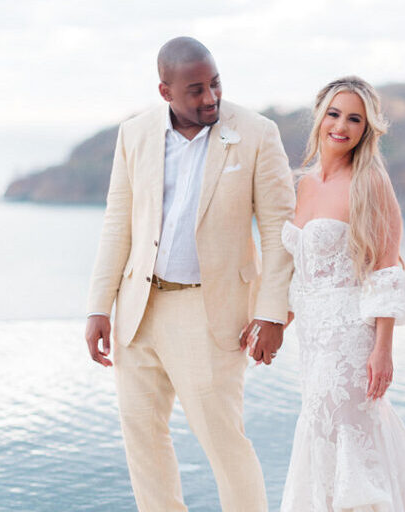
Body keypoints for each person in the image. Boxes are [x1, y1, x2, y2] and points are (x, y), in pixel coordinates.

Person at [83, 36, 295, 511]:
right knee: (143, 442)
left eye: (215, 84)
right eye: (195, 90)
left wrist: (273, 314)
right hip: (137, 311)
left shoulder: (258, 133)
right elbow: (117, 224)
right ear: (166, 92)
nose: (210, 98)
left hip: (210, 311)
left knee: (225, 443)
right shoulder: (134, 134)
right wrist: (99, 306)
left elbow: (281, 231)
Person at [268, 76, 405, 511]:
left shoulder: (369, 182)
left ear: (366, 129)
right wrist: (275, 325)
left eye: (354, 118)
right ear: (319, 117)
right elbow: (304, 275)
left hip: (351, 341)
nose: (342, 125)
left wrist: (383, 350)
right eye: (335, 114)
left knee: (353, 443)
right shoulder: (302, 184)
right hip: (312, 341)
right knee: (322, 436)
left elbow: (385, 269)